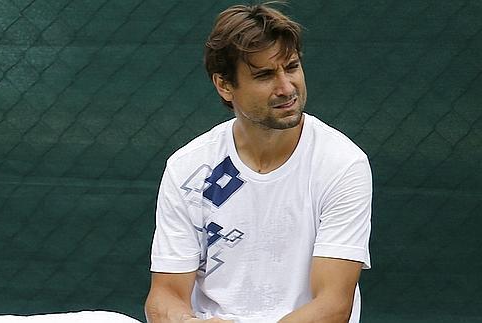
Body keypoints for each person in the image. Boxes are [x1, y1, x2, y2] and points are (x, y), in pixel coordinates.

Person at [145, 3, 372, 323]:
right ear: (224, 85)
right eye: (265, 75)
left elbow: (332, 306)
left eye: (291, 67)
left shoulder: (342, 164)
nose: (286, 87)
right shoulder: (187, 167)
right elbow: (166, 294)